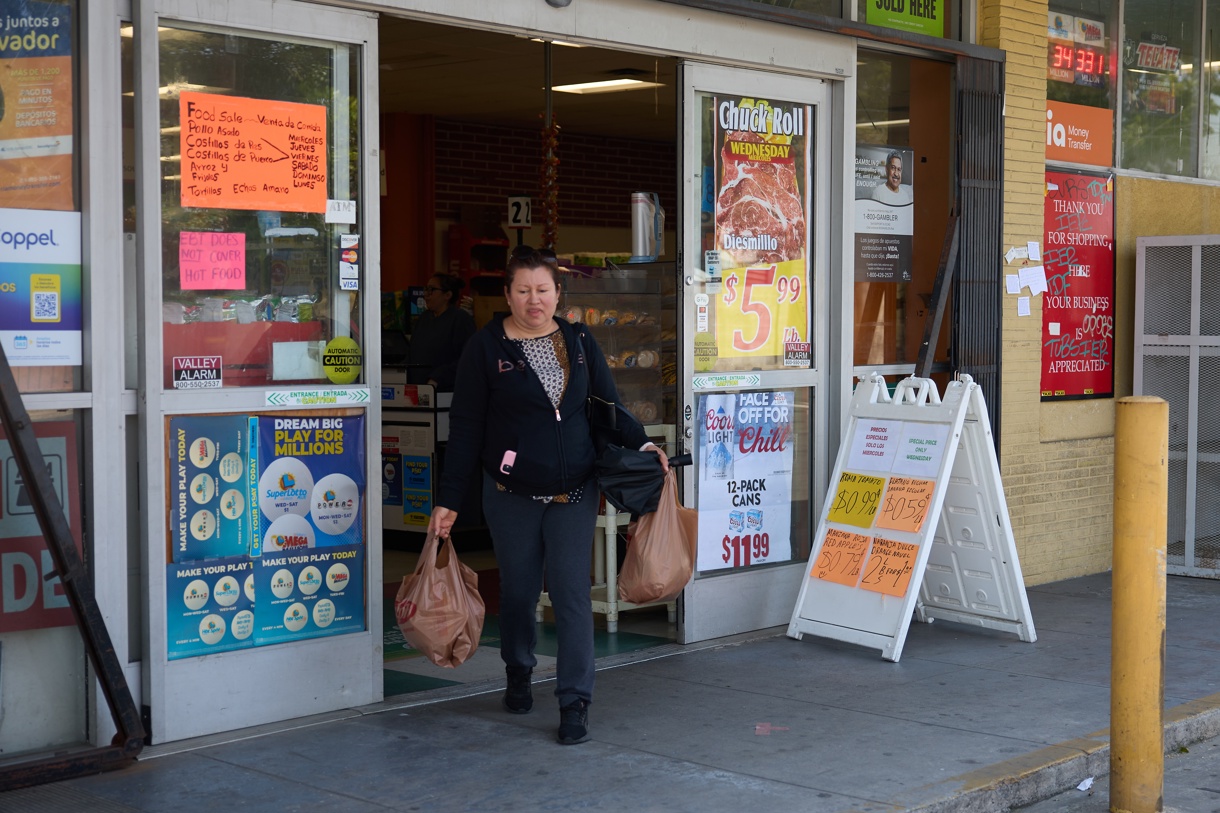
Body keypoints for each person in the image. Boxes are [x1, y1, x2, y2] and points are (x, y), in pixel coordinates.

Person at [429, 245, 668, 745]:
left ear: (558, 293)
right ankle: (518, 669)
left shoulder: (579, 340)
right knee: (517, 594)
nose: (533, 300)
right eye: (523, 291)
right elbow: (467, 427)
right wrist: (448, 499)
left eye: (543, 290)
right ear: (508, 294)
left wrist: (642, 440)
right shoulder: (486, 349)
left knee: (570, 595)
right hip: (510, 492)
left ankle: (574, 701)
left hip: (574, 492)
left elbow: (607, 405)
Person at [407, 274, 476, 390]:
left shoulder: (461, 320)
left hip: (445, 391)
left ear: (447, 295)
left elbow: (468, 358)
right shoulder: (424, 318)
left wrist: (438, 378)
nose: (426, 294)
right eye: (426, 289)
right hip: (416, 389)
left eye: (432, 290)